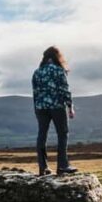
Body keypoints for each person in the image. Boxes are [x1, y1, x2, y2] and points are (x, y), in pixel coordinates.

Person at [32, 46, 78, 176]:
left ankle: (43, 167)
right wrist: (70, 106)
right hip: (57, 106)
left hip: (40, 107)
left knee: (42, 135)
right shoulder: (58, 71)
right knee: (62, 134)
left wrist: (36, 108)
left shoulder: (37, 72)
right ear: (57, 57)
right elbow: (64, 90)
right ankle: (62, 166)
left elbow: (35, 92)